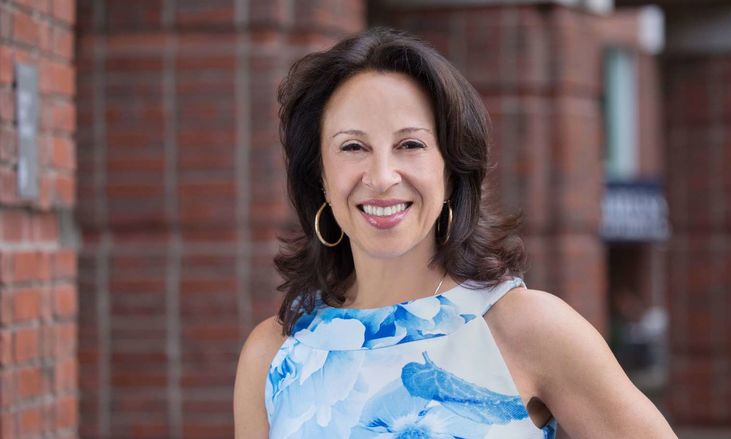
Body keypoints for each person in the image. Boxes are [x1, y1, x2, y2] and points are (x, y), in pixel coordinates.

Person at [234, 27, 677, 438]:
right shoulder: (274, 355)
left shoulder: (527, 328)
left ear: (451, 171)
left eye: (410, 145)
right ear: (321, 177)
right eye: (353, 147)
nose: (383, 176)